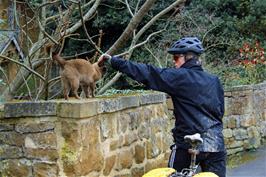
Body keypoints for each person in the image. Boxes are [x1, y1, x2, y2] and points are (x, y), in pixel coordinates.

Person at [98, 37, 226, 177]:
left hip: (187, 144)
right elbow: (220, 111)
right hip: (215, 145)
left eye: (176, 57)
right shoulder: (215, 81)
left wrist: (113, 61)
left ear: (187, 57)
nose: (173, 61)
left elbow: (147, 72)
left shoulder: (179, 77)